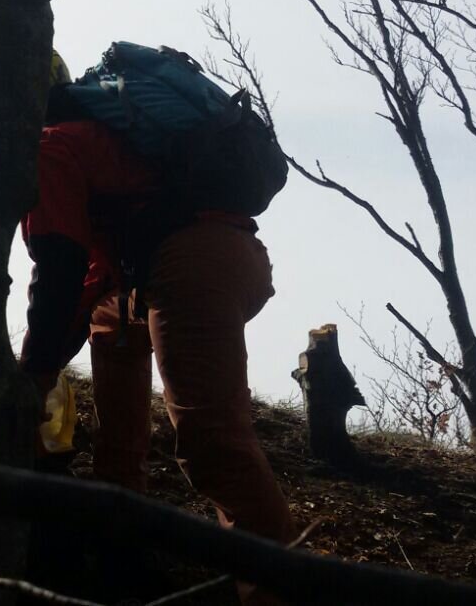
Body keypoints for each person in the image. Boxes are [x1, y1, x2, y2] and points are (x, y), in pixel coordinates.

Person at [21, 50, 294, 606]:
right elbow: (89, 277)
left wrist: (32, 375)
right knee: (117, 422)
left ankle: (277, 590)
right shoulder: (92, 136)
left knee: (212, 443)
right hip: (165, 273)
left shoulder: (52, 145)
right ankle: (122, 556)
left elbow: (60, 268)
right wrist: (39, 370)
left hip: (194, 263)